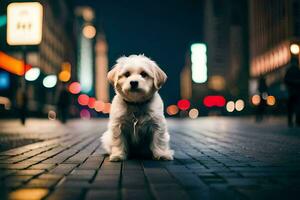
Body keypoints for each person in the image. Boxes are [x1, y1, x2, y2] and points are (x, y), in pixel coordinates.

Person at [284, 57, 300, 127]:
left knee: (291, 107)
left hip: (291, 92)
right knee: (297, 106)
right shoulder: (297, 70)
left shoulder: (289, 70)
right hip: (296, 91)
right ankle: (297, 121)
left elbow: (285, 80)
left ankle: (291, 121)